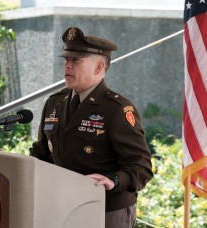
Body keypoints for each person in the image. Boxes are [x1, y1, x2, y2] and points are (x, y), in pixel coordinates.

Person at [29, 27, 153, 228]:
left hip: (106, 210)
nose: (67, 65)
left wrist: (113, 180)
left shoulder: (117, 110)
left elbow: (141, 167)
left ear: (98, 67)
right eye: (66, 60)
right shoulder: (54, 103)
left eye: (75, 60)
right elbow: (42, 153)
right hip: (62, 206)